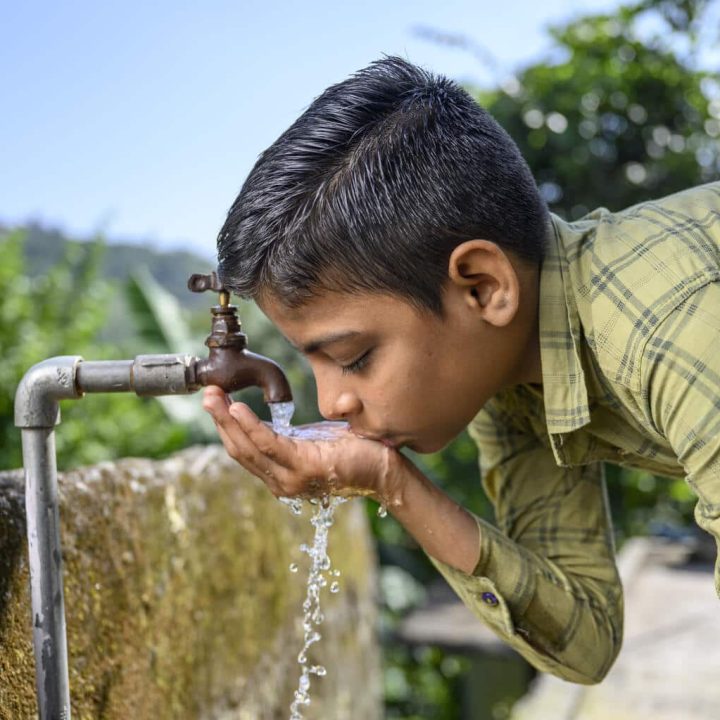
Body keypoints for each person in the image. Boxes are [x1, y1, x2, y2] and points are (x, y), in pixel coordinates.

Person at [202, 55, 720, 685]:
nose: (333, 403)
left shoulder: (668, 325)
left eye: (353, 358)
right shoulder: (512, 382)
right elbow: (584, 640)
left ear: (481, 286)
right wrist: (391, 483)